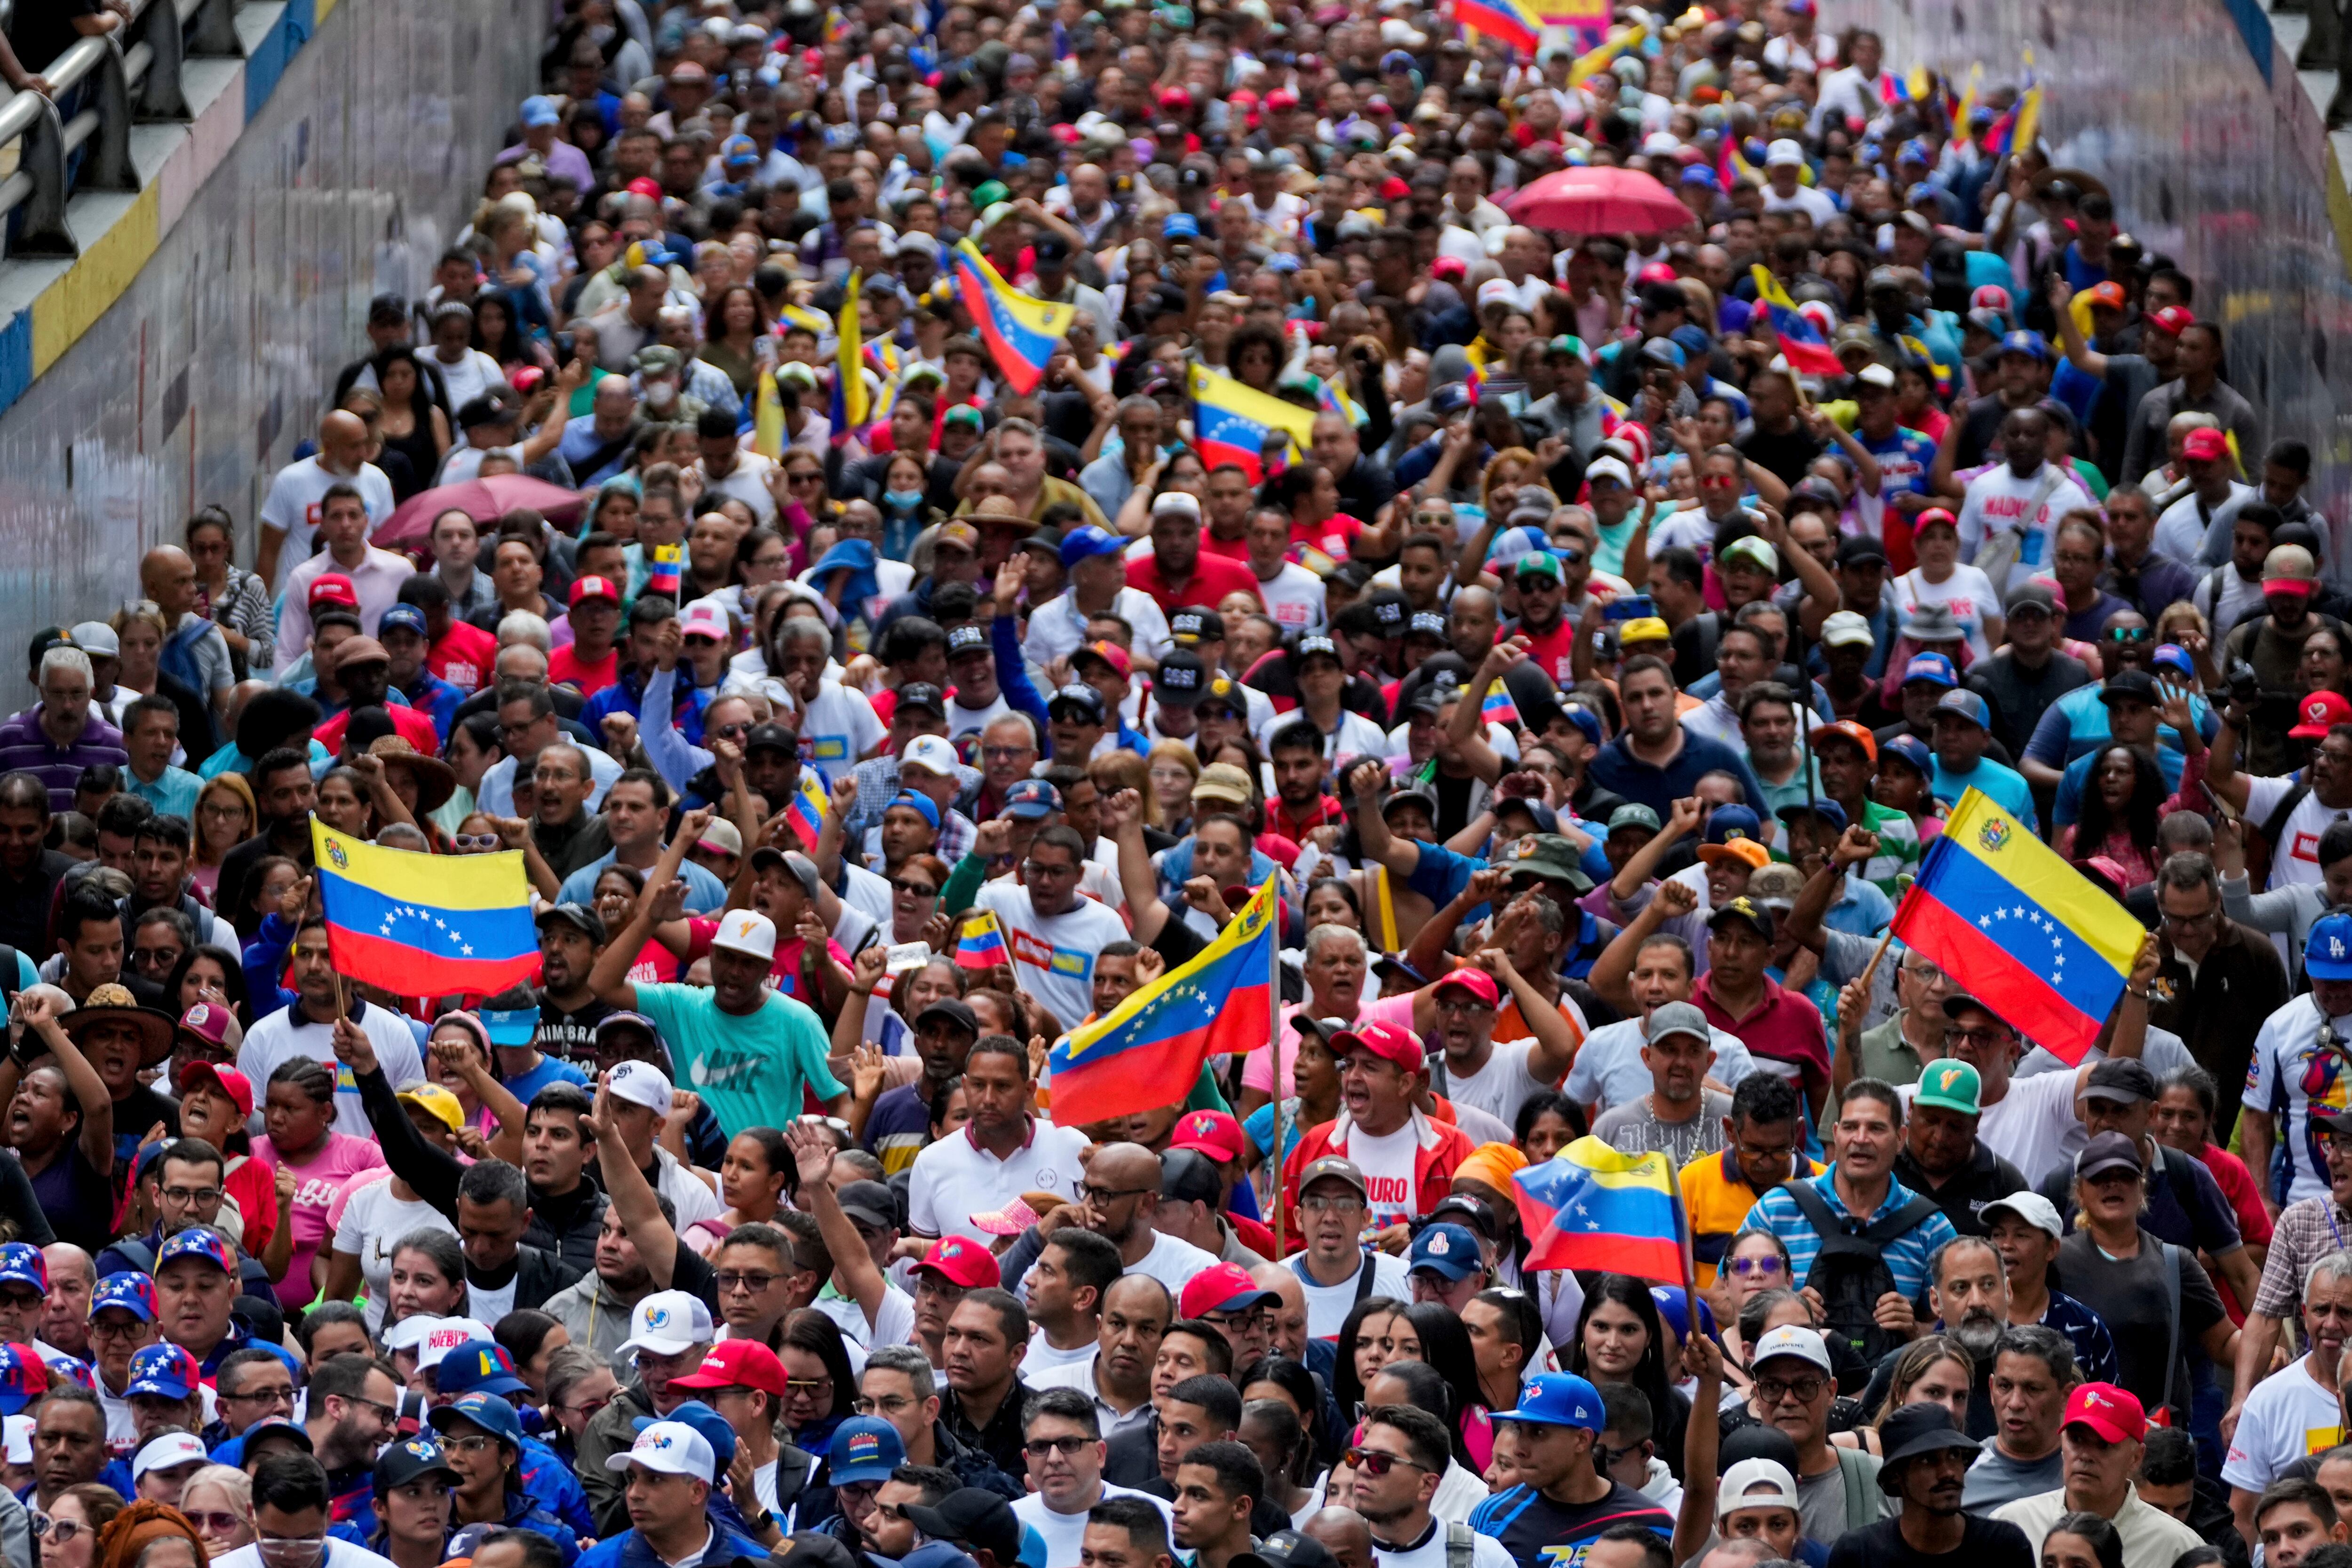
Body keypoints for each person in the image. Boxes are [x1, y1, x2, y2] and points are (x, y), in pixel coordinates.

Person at [1991, 1384, 2204, 1568]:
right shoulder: (2011, 1525)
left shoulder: (2179, 1547)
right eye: (2076, 1439)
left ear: (2136, 1458)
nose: (2085, 1456)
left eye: (2104, 1445)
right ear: (2062, 1443)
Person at [1825, 1402, 2034, 1568]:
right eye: (1927, 1460)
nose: (1948, 1472)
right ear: (1897, 1475)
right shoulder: (1858, 1554)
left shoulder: (2004, 1548)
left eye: (1954, 1455)